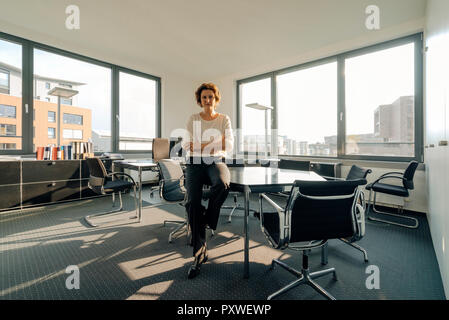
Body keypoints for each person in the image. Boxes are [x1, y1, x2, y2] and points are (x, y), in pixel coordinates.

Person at [181, 82, 234, 279]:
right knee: (193, 203)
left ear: (216, 99)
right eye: (204, 97)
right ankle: (198, 254)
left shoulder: (223, 119)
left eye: (210, 96)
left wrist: (201, 144)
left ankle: (207, 220)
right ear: (200, 100)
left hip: (215, 161)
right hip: (194, 163)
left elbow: (228, 144)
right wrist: (213, 142)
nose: (207, 100)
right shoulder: (193, 118)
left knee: (222, 184)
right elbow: (187, 145)